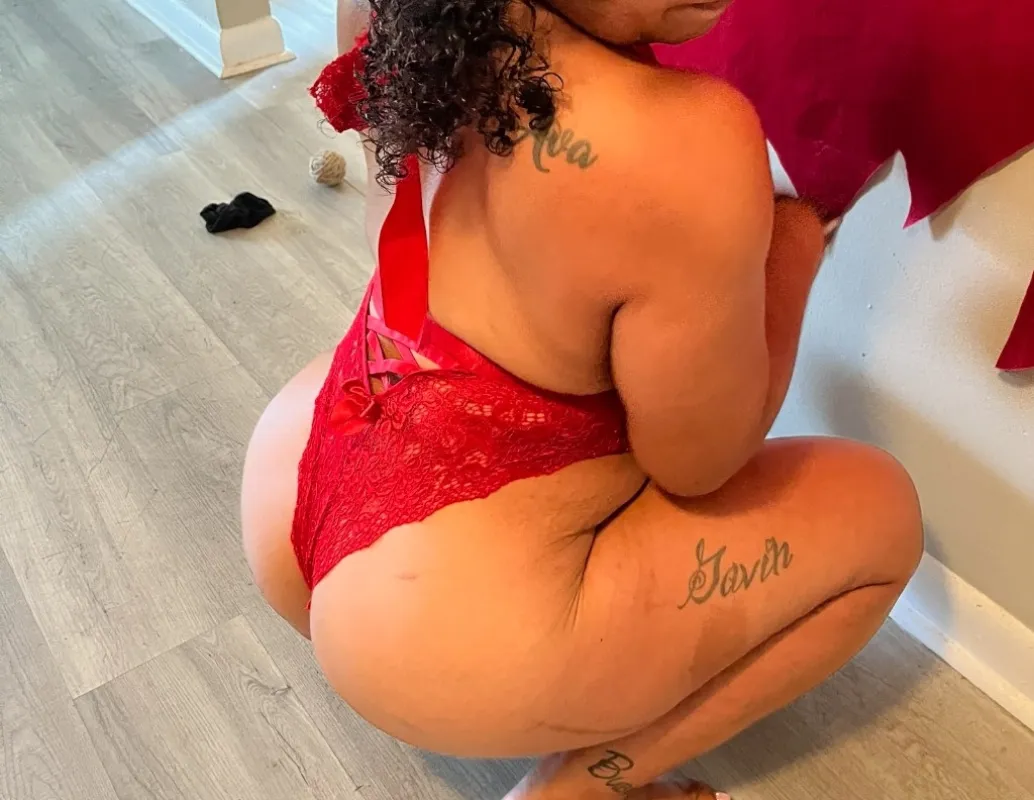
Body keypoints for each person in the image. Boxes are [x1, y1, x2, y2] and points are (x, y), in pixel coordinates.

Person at [241, 1, 924, 798]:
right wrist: (795, 245)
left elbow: (387, 228)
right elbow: (698, 464)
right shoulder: (679, 138)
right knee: (883, 515)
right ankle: (585, 785)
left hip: (299, 481)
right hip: (430, 631)